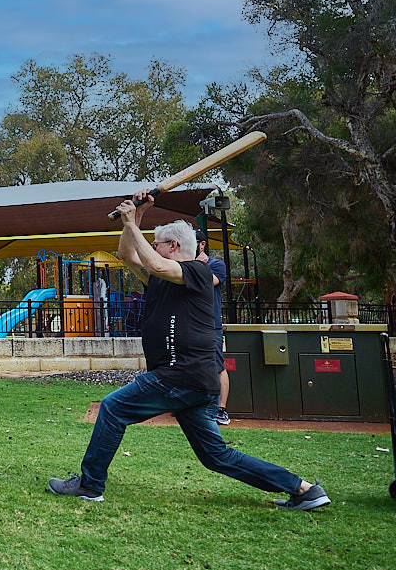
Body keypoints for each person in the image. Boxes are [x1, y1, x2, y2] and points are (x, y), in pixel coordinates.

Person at [47, 190, 330, 511]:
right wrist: (137, 214)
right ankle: (303, 489)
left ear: (174, 247)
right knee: (216, 456)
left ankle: (90, 484)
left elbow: (153, 261)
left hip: (179, 375)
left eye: (158, 244)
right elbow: (128, 254)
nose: (153, 249)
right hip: (192, 382)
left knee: (112, 409)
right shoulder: (162, 279)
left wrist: (132, 222)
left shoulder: (197, 271)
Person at [196, 229, 231, 425]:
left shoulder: (216, 265)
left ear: (202, 244)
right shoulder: (183, 265)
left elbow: (211, 282)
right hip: (190, 324)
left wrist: (197, 267)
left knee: (217, 366)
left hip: (211, 324)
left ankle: (221, 409)